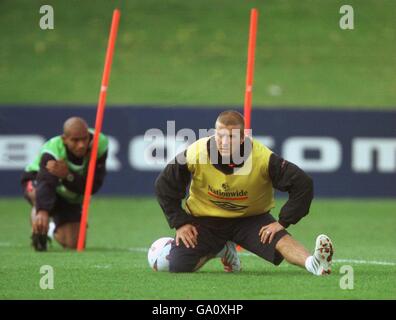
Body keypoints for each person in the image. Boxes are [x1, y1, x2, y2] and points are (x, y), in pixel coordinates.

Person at [155, 110, 334, 275]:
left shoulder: (262, 158)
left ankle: (314, 264)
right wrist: (180, 222)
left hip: (250, 219)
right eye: (220, 135)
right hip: (205, 220)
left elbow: (303, 184)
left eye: (231, 137)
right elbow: (164, 185)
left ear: (242, 138)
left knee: (280, 240)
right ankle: (221, 249)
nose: (224, 142)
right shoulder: (195, 153)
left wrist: (283, 222)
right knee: (176, 266)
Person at [21, 117, 108, 251]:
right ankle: (37, 217)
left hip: (68, 191)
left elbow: (92, 187)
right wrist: (43, 211)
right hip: (37, 180)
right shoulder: (52, 150)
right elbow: (46, 182)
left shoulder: (99, 144)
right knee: (38, 193)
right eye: (75, 140)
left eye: (84, 139)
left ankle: (50, 228)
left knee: (74, 243)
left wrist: (68, 176)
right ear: (64, 139)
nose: (81, 145)